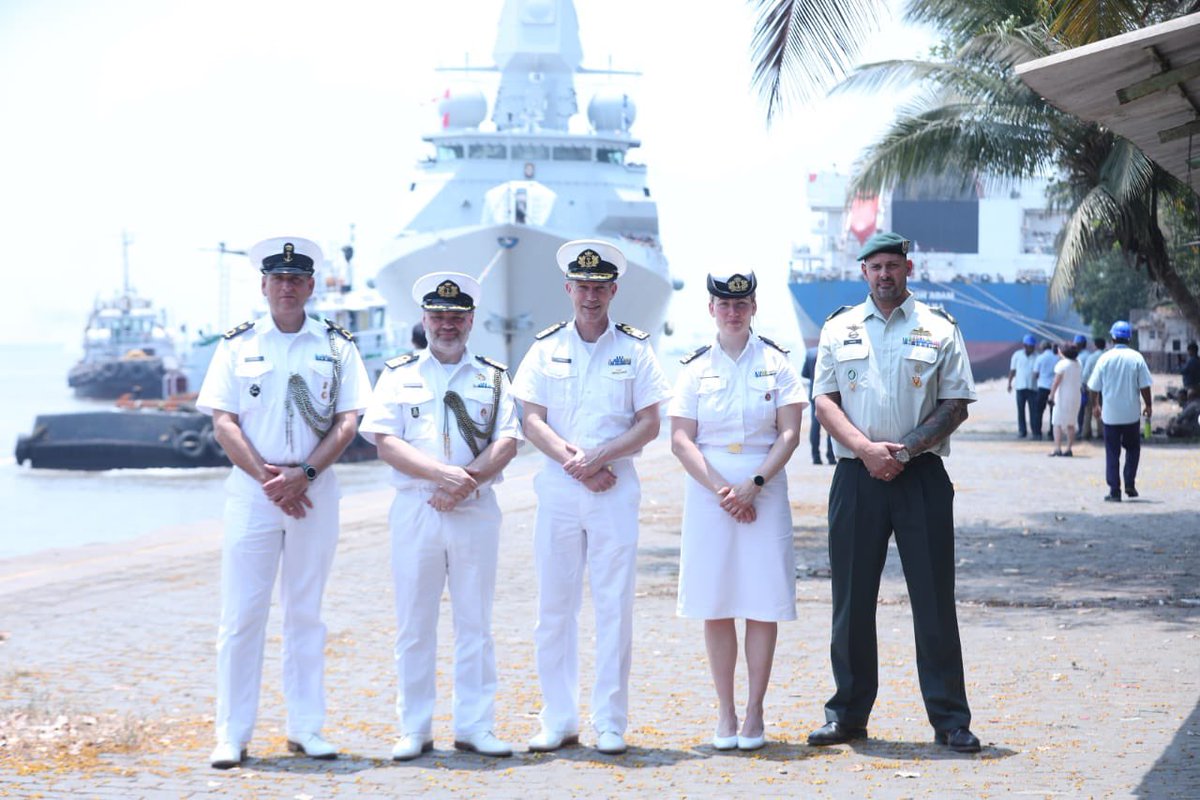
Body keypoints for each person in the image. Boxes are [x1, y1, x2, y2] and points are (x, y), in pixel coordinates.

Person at [197, 237, 371, 769]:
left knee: (305, 614)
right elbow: (223, 421)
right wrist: (272, 481)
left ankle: (306, 728)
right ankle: (232, 735)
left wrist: (306, 475)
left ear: (312, 286)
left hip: (315, 492)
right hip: (252, 494)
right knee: (242, 616)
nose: (289, 287)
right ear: (265, 286)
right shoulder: (237, 345)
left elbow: (349, 420)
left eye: (298, 279)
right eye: (280, 279)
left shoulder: (338, 345)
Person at [807, 231, 981, 753]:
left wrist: (900, 452)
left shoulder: (939, 328)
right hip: (857, 478)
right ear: (863, 272)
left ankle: (950, 720)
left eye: (893, 266)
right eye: (875, 266)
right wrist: (866, 450)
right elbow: (824, 401)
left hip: (921, 475)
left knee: (933, 601)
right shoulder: (838, 328)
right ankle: (847, 715)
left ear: (909, 268)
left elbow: (956, 403)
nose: (884, 274)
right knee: (852, 602)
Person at [511, 239, 670, 755]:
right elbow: (530, 419)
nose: (590, 296)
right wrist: (575, 463)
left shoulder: (635, 349)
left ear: (613, 290)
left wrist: (600, 457)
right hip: (560, 488)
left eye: (599, 287)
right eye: (582, 287)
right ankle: (557, 718)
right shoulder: (544, 347)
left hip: (614, 488)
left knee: (613, 607)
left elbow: (650, 424)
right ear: (568, 289)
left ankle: (610, 721)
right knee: (554, 607)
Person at [359, 272, 521, 761]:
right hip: (416, 509)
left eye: (456, 317)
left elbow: (508, 440)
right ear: (424, 320)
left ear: (471, 320)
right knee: (415, 622)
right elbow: (384, 441)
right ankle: (414, 728)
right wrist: (443, 478)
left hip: (474, 510)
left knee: (476, 621)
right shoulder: (398, 374)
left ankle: (475, 725)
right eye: (438, 316)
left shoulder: (493, 377)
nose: (446, 325)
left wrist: (463, 483)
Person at [667, 272, 805, 751]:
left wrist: (754, 485)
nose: (733, 312)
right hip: (710, 493)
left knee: (762, 602)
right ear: (711, 309)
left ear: (753, 307)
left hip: (764, 486)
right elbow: (681, 439)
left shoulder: (777, 363)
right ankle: (724, 710)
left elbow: (789, 433)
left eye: (741, 303)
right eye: (724, 304)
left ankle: (754, 711)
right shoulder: (693, 368)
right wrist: (726, 490)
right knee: (717, 600)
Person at [1088, 320, 1152, 502]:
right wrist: (1148, 405)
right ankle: (1130, 482)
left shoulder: (1104, 358)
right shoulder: (1136, 358)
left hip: (1110, 416)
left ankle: (1114, 490)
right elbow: (1145, 386)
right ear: (1129, 338)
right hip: (1131, 414)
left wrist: (1095, 405)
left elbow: (1093, 386)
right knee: (1133, 449)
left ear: (1113, 337)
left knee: (1112, 452)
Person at [802, 346, 836, 464]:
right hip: (829, 392)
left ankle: (816, 457)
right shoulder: (831, 351)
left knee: (815, 426)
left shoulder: (810, 353)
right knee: (831, 425)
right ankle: (831, 457)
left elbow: (804, 373)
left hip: (814, 393)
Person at [1048, 343, 1082, 457]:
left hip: (1062, 396)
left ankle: (1057, 448)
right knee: (1071, 423)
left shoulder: (1062, 365)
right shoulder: (1078, 363)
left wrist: (1051, 395)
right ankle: (1068, 449)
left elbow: (1056, 382)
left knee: (1057, 423)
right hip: (1076, 396)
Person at [1006, 334, 1038, 438]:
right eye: (1030, 346)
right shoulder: (1017, 355)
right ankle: (1022, 431)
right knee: (1021, 411)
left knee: (1033, 411)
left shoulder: (1037, 356)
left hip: (1033, 388)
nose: (1032, 348)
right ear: (1024, 345)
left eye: (1033, 346)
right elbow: (1012, 370)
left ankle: (1035, 431)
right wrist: (1009, 383)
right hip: (1020, 387)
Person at [1079, 337, 1106, 440]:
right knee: (1102, 410)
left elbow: (1085, 374)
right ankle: (1101, 432)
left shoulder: (1092, 357)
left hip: (1092, 388)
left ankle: (1086, 433)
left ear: (1095, 346)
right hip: (1105, 388)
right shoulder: (1107, 357)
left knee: (1088, 411)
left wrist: (1083, 385)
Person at [1033, 341, 1059, 440]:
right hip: (1053, 388)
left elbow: (1035, 374)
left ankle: (1037, 433)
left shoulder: (1039, 358)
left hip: (1042, 387)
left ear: (1042, 348)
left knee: (1038, 411)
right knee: (1054, 412)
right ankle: (1052, 433)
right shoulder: (1056, 358)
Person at [1071, 334, 1090, 432]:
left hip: (1081, 386)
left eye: (1076, 344)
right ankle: (1085, 430)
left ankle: (1082, 430)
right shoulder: (1089, 355)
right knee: (1086, 410)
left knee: (1081, 409)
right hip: (1088, 385)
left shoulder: (1079, 357)